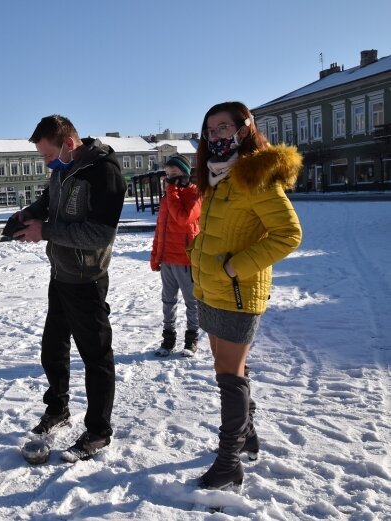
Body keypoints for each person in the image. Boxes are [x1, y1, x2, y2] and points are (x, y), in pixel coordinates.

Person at [190, 101, 302, 489]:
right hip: (211, 290)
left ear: (244, 128)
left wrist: (235, 267)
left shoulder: (256, 177)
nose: (216, 135)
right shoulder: (216, 177)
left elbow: (289, 234)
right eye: (210, 130)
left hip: (238, 293)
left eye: (223, 127)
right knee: (229, 368)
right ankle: (247, 435)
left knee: (228, 375)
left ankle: (228, 462)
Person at [14, 115, 127, 461]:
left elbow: (99, 235)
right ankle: (58, 408)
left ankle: (98, 430)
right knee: (53, 348)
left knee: (96, 357)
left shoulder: (104, 172)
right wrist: (26, 216)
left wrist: (45, 231)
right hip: (60, 274)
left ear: (69, 143)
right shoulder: (62, 169)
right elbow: (49, 201)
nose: (47, 163)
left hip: (87, 279)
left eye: (48, 156)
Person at [149, 154, 201, 357]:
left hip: (186, 260)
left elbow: (183, 218)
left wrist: (172, 190)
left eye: (175, 173)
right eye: (168, 174)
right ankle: (168, 339)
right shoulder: (167, 198)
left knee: (192, 302)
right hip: (168, 260)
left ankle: (191, 339)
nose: (170, 177)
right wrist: (156, 256)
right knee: (168, 301)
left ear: (185, 174)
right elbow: (160, 231)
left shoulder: (195, 195)